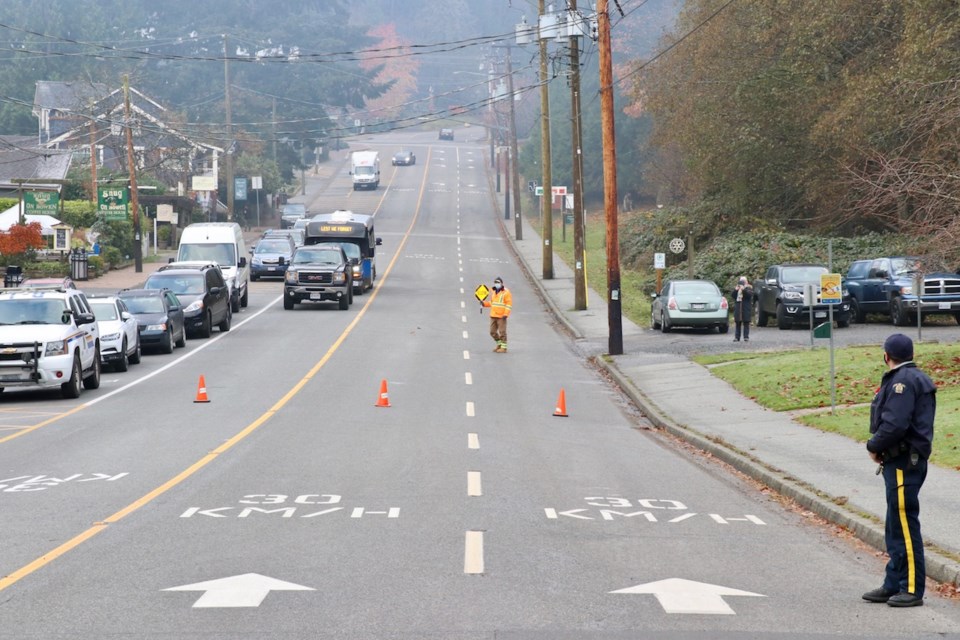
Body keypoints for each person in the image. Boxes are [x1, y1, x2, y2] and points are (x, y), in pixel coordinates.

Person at [862, 333, 935, 608]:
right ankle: (893, 582)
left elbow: (895, 424)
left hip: (905, 461)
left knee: (904, 523)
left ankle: (912, 588)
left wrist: (873, 445)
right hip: (900, 460)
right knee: (895, 523)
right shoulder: (911, 378)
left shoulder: (903, 382)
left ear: (886, 355)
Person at [481, 277, 512, 353]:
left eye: (498, 282)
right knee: (492, 332)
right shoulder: (494, 292)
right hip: (493, 315)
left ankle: (504, 348)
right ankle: (499, 344)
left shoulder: (506, 292)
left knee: (502, 332)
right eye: (495, 282)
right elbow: (492, 303)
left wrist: (506, 314)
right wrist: (484, 304)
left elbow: (509, 304)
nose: (496, 284)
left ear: (502, 283)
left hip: (501, 316)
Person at [731, 276, 753, 342]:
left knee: (746, 322)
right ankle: (737, 337)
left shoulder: (749, 288)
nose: (743, 282)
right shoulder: (738, 288)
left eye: (744, 281)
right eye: (741, 281)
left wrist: (744, 290)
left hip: (746, 307)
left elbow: (749, 295)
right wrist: (736, 290)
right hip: (738, 307)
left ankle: (746, 337)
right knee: (738, 322)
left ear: (746, 281)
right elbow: (733, 296)